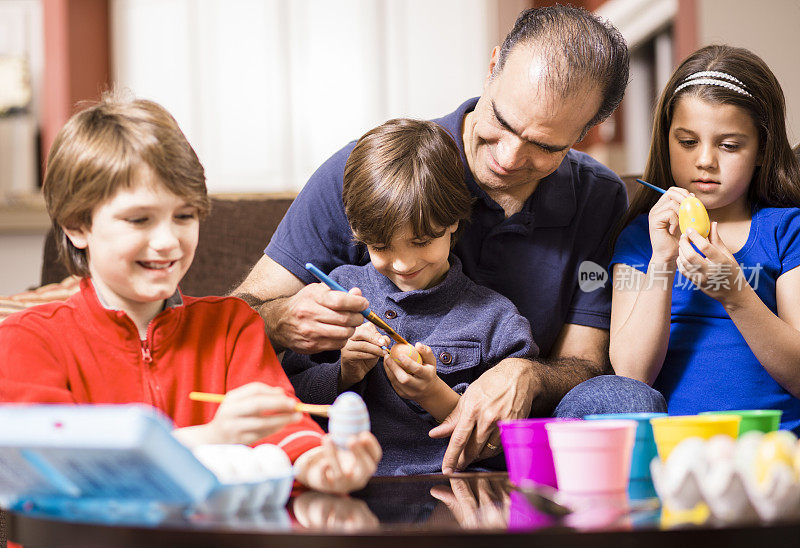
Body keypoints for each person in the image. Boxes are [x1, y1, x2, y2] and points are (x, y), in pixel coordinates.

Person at [234, 5, 665, 473]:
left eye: (544, 146)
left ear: (585, 132)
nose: (509, 156)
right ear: (492, 66)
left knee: (622, 398)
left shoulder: (598, 197)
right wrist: (279, 319)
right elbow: (235, 317)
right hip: (363, 450)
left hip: (519, 443)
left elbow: (586, 360)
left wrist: (528, 373)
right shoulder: (380, 170)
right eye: (502, 120)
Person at [0, 92, 381, 493]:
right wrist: (211, 437)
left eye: (184, 216)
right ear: (78, 227)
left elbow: (284, 429)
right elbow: (58, 474)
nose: (167, 241)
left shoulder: (232, 326)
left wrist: (323, 464)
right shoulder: (27, 341)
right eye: (140, 219)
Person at [282, 119, 537, 475]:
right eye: (381, 246)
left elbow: (504, 446)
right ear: (358, 233)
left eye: (421, 242)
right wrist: (344, 374)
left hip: (451, 491)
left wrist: (432, 393)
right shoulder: (336, 297)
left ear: (453, 221)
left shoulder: (496, 320)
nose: (403, 264)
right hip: (348, 485)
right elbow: (290, 401)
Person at [609, 45, 800, 431]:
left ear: (762, 148)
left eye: (729, 145)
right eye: (687, 141)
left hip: (771, 448)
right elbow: (631, 376)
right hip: (672, 452)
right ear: (666, 140)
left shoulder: (785, 229)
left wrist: (734, 292)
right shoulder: (641, 239)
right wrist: (662, 260)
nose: (705, 161)